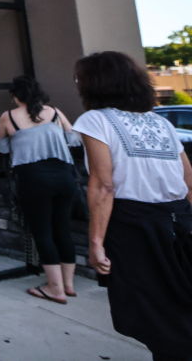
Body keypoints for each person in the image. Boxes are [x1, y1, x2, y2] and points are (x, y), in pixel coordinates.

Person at [73, 51, 192, 361]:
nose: (76, 82)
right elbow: (189, 180)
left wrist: (95, 242)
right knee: (178, 308)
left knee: (153, 314)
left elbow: (103, 184)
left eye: (80, 77)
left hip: (134, 226)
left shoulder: (94, 120)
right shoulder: (160, 122)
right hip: (180, 220)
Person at [0, 75, 79, 304]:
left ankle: (55, 288)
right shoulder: (54, 113)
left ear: (15, 96)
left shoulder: (8, 117)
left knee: (42, 232)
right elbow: (73, 138)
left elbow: (2, 147)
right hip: (64, 176)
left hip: (33, 179)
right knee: (62, 229)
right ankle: (69, 285)